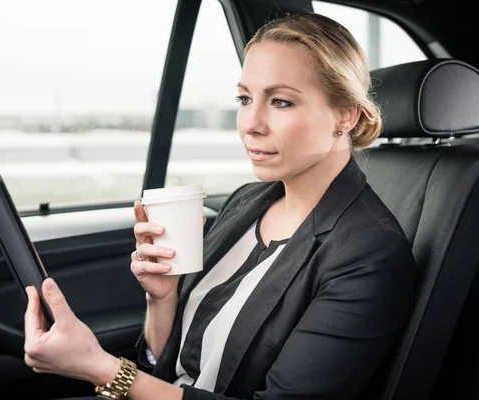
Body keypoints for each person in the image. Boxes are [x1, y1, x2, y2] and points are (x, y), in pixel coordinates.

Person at [23, 12, 418, 399]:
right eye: (244, 98)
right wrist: (163, 298)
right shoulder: (247, 201)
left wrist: (102, 369)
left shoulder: (367, 254)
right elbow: (172, 366)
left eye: (280, 102)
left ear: (346, 115)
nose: (250, 123)